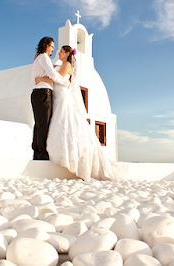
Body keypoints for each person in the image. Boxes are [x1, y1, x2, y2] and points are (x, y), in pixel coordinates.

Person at [35, 45, 127, 181]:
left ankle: (68, 157)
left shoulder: (66, 65)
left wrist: (40, 79)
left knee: (65, 123)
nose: (58, 53)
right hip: (58, 97)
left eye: (61, 51)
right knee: (59, 123)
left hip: (62, 98)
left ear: (67, 54)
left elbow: (56, 78)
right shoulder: (62, 65)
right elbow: (55, 73)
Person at [31, 37, 69, 160]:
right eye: (52, 46)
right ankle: (42, 153)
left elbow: (50, 70)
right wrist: (65, 82)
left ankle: (37, 152)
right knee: (44, 124)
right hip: (43, 93)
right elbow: (53, 75)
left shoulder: (40, 58)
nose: (53, 49)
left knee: (39, 123)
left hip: (37, 93)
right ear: (47, 46)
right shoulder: (43, 57)